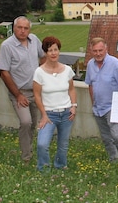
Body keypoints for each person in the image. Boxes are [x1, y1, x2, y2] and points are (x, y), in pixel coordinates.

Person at [0, 16, 44, 162]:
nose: (23, 31)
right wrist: (17, 95)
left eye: (26, 28)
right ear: (14, 28)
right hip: (19, 92)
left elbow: (43, 56)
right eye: (20, 28)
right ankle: (26, 157)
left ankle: (29, 149)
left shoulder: (34, 40)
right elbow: (4, 72)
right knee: (25, 122)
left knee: (33, 123)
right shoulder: (7, 46)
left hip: (35, 91)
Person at [85, 37, 118, 167]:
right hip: (98, 108)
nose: (98, 53)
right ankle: (114, 161)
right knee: (106, 138)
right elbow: (90, 84)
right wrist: (93, 102)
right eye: (95, 51)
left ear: (106, 49)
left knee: (117, 136)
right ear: (91, 51)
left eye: (101, 50)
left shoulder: (115, 64)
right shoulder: (90, 64)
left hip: (112, 107)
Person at [34, 36, 77, 171]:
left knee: (63, 145)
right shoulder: (39, 72)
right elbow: (37, 95)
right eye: (50, 50)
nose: (53, 53)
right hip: (49, 115)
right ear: (45, 53)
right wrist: (44, 115)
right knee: (42, 144)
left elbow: (71, 89)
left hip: (66, 113)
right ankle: (43, 168)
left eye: (56, 50)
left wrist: (74, 106)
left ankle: (60, 166)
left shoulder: (67, 70)